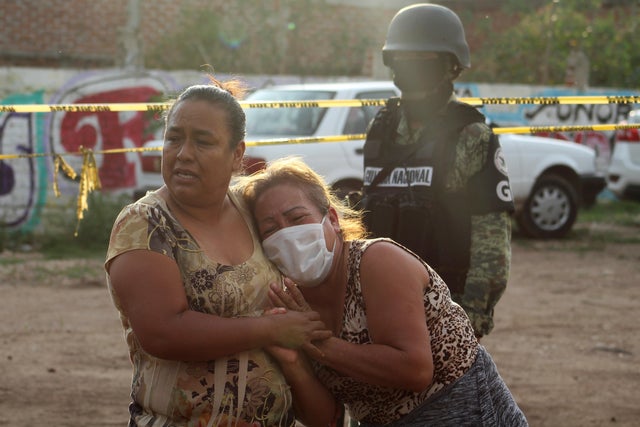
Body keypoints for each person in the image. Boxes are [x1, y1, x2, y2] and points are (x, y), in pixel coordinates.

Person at [104, 76, 332, 426]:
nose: (183, 154)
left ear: (237, 155)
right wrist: (271, 331)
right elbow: (162, 332)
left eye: (203, 142)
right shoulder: (144, 224)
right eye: (174, 138)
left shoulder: (254, 209)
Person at [240, 157, 528, 426]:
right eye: (270, 229)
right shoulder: (292, 303)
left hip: (467, 412)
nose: (287, 234)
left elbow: (414, 370)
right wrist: (293, 361)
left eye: (297, 218)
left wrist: (321, 346)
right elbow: (329, 419)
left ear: (332, 218)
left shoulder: (377, 261)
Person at [360, 3, 515, 338]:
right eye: (402, 61)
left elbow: (491, 245)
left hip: (444, 313)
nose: (410, 71)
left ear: (451, 67)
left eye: (423, 62)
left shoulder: (471, 136)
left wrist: (469, 321)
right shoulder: (381, 128)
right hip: (378, 306)